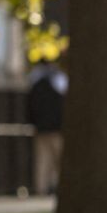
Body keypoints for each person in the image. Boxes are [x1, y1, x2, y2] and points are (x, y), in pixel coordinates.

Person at [26, 60, 66, 196]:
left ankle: (41, 189)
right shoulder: (59, 84)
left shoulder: (35, 86)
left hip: (41, 128)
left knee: (42, 161)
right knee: (59, 160)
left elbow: (30, 109)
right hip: (56, 129)